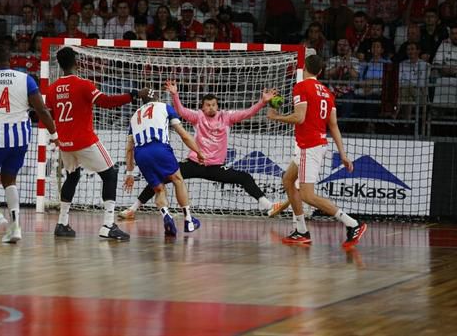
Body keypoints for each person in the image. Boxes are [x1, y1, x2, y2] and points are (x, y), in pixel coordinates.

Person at [120, 81, 283, 220]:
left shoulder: (227, 117)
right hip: (194, 163)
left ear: (217, 106)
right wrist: (175, 95)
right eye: (208, 105)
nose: (211, 108)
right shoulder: (198, 117)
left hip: (215, 167)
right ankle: (132, 209)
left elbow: (246, 113)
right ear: (202, 107)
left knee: (244, 177)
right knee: (160, 178)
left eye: (214, 105)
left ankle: (268, 206)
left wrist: (262, 102)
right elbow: (182, 112)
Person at [45, 47, 149, 241]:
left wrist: (56, 133)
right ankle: (108, 225)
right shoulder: (83, 84)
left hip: (65, 143)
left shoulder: (51, 89)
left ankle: (62, 223)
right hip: (84, 140)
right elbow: (106, 102)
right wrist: (134, 94)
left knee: (72, 176)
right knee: (110, 174)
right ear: (76, 63)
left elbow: (47, 113)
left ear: (59, 64)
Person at [267, 54, 367, 248]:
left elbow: (299, 117)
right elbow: (334, 125)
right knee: (288, 180)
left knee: (307, 195)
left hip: (309, 146)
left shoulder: (301, 87)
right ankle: (301, 231)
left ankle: (353, 224)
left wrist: (276, 117)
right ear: (320, 71)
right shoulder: (327, 93)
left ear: (304, 67)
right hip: (317, 144)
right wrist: (343, 154)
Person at [0, 45, 57, 243]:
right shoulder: (25, 78)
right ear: (10, 60)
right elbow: (42, 110)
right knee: (9, 180)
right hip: (21, 138)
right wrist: (54, 134)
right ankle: (16, 227)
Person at [123, 87, 205, 236]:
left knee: (159, 189)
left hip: (141, 154)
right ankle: (188, 220)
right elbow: (184, 135)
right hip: (159, 148)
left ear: (143, 101)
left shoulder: (135, 116)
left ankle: (166, 215)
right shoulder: (165, 107)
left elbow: (129, 149)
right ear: (157, 98)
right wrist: (198, 151)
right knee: (177, 179)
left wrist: (129, 173)